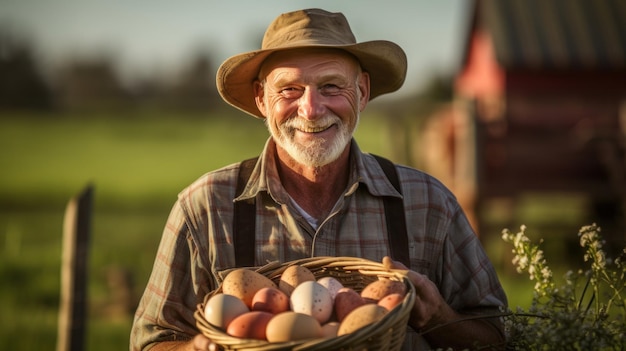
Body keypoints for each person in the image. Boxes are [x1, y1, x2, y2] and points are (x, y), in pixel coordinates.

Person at [130, 8, 508, 351]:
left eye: (330, 86)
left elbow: (500, 338)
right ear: (262, 99)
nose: (311, 110)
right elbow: (151, 342)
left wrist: (437, 317)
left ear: (361, 92)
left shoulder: (428, 203)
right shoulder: (205, 207)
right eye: (289, 89)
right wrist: (198, 348)